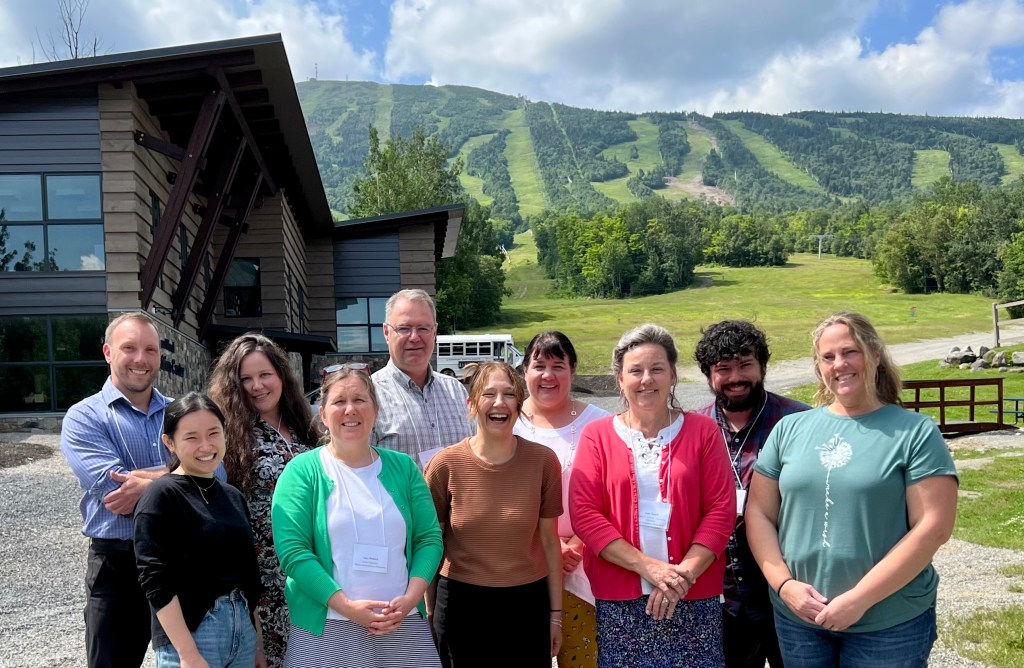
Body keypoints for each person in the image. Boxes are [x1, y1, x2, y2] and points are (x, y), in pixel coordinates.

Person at [746, 312, 958, 668]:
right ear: (818, 367)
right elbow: (759, 512)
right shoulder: (789, 429)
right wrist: (784, 586)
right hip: (800, 621)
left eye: (850, 352)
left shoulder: (915, 433)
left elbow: (934, 527)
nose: (839, 364)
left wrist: (860, 598)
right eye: (828, 357)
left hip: (888, 622)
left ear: (874, 353)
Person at [570, 323, 736, 668]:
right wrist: (652, 569)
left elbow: (721, 510)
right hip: (622, 602)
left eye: (657, 369)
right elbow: (585, 514)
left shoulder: (703, 432)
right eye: (636, 371)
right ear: (620, 379)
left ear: (673, 376)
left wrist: (681, 576)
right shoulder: (596, 436)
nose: (647, 379)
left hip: (693, 595)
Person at [271, 366, 443, 668]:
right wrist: (348, 607)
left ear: (376, 410)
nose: (350, 409)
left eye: (360, 400)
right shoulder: (302, 471)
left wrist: (410, 599)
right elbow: (294, 552)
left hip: (401, 623)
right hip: (327, 628)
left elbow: (429, 539)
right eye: (339, 401)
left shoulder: (403, 468)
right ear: (323, 415)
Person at [425, 361, 563, 667]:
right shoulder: (444, 465)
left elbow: (551, 544)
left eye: (509, 394)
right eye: (489, 394)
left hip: (527, 605)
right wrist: (431, 612)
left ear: (519, 403)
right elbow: (430, 545)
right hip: (460, 605)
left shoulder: (543, 463)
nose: (499, 403)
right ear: (471, 403)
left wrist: (556, 616)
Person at [694, 320, 809, 668]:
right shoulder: (694, 428)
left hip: (788, 590)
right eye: (723, 369)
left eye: (745, 365)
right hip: (722, 595)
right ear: (709, 374)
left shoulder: (799, 422)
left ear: (762, 365)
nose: (735, 377)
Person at [60, 311, 172, 668]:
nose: (141, 359)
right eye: (130, 348)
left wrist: (149, 481)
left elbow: (216, 472)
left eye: (150, 350)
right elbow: (115, 493)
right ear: (108, 352)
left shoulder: (180, 413)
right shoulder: (84, 417)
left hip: (179, 559)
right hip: (117, 565)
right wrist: (181, 474)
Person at [208, 333, 319, 668]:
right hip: (261, 577)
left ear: (281, 375)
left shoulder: (305, 425)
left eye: (264, 375)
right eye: (246, 379)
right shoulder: (228, 433)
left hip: (311, 567)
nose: (257, 386)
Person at [134, 392, 265, 667]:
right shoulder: (161, 494)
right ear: (169, 442)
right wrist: (187, 652)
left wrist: (257, 642)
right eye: (192, 437)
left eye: (213, 433)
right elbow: (154, 579)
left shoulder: (232, 496)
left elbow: (247, 576)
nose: (206, 446)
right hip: (194, 634)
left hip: (242, 630)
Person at [513, 331, 609, 668]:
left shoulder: (599, 423)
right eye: (539, 366)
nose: (548, 376)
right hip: (523, 563)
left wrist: (576, 545)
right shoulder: (506, 420)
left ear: (573, 371)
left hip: (584, 564)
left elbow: (612, 493)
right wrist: (550, 545)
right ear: (524, 370)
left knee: (582, 660)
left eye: (558, 366)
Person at [371, 289, 473, 469]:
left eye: (423, 328)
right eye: (404, 328)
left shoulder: (456, 391)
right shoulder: (369, 396)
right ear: (387, 332)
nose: (414, 337)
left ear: (434, 331)